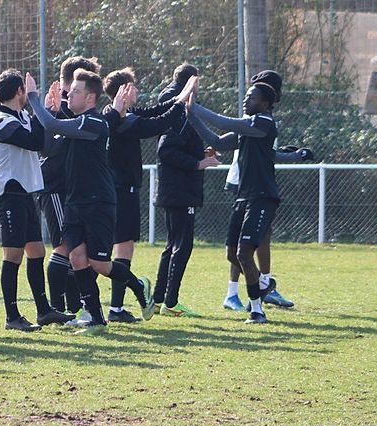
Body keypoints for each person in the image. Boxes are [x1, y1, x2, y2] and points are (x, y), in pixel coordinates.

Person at [27, 69, 155, 334]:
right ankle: (96, 318)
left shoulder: (93, 122)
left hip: (98, 203)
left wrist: (33, 97)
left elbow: (53, 125)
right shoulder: (77, 123)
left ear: (90, 98)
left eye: (75, 92)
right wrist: (51, 110)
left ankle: (139, 285)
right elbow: (49, 144)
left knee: (99, 264)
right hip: (75, 201)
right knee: (76, 258)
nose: (69, 95)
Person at [180, 76, 279, 324]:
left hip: (262, 197)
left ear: (265, 104)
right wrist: (192, 117)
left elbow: (224, 122)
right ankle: (262, 285)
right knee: (232, 255)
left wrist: (195, 106)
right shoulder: (248, 128)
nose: (246, 99)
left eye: (252, 97)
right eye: (246, 95)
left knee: (244, 253)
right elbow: (216, 142)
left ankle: (257, 310)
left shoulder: (264, 122)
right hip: (243, 197)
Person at [0, 69, 73, 331]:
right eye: (26, 92)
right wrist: (39, 106)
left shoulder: (23, 116)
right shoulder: (1, 121)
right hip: (8, 195)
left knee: (37, 251)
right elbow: (35, 142)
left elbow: (44, 144)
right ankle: (12, 317)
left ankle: (44, 311)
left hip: (25, 193)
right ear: (19, 91)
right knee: (13, 255)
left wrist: (48, 112)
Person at [220, 70, 313, 312]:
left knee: (251, 241)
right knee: (247, 244)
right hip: (245, 182)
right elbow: (236, 143)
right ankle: (248, 288)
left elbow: (267, 153)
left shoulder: (264, 117)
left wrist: (292, 155)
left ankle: (252, 287)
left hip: (250, 182)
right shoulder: (258, 116)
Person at [101, 68, 185, 322]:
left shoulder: (122, 114)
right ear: (125, 90)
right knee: (122, 249)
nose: (137, 90)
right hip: (121, 191)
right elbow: (160, 122)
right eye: (133, 86)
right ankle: (117, 306)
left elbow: (154, 111)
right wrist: (183, 100)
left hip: (116, 191)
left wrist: (180, 96)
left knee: (111, 251)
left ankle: (110, 308)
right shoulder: (123, 121)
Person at [152, 63, 220, 316]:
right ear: (192, 81)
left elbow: (177, 147)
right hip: (180, 190)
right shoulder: (179, 110)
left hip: (175, 188)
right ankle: (171, 303)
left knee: (172, 244)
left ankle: (159, 299)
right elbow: (166, 150)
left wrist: (200, 153)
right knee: (182, 245)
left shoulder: (173, 106)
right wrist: (197, 163)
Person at [39, 56, 100, 324]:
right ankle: (58, 307)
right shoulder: (59, 107)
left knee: (80, 250)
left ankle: (75, 306)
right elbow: (47, 146)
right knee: (65, 246)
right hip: (56, 186)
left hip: (77, 190)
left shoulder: (81, 112)